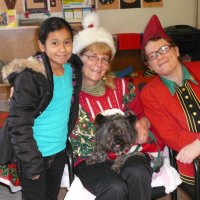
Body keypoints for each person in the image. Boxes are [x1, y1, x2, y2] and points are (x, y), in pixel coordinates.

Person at [69, 12, 163, 200]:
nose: (99, 64)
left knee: (138, 173)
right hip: (90, 158)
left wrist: (142, 124)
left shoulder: (122, 86)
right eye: (92, 57)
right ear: (78, 58)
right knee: (114, 187)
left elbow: (142, 115)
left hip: (128, 152)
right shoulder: (68, 92)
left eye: (105, 58)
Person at [0, 17, 82, 200]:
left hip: (58, 151)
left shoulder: (73, 70)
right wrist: (31, 162)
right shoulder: (31, 77)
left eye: (67, 42)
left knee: (51, 196)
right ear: (42, 45)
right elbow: (19, 125)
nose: (62, 49)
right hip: (34, 155)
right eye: (55, 43)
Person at [140, 14, 200, 198]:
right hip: (193, 164)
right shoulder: (150, 94)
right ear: (149, 64)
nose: (160, 57)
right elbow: (171, 136)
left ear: (176, 50)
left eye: (164, 49)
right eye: (152, 55)